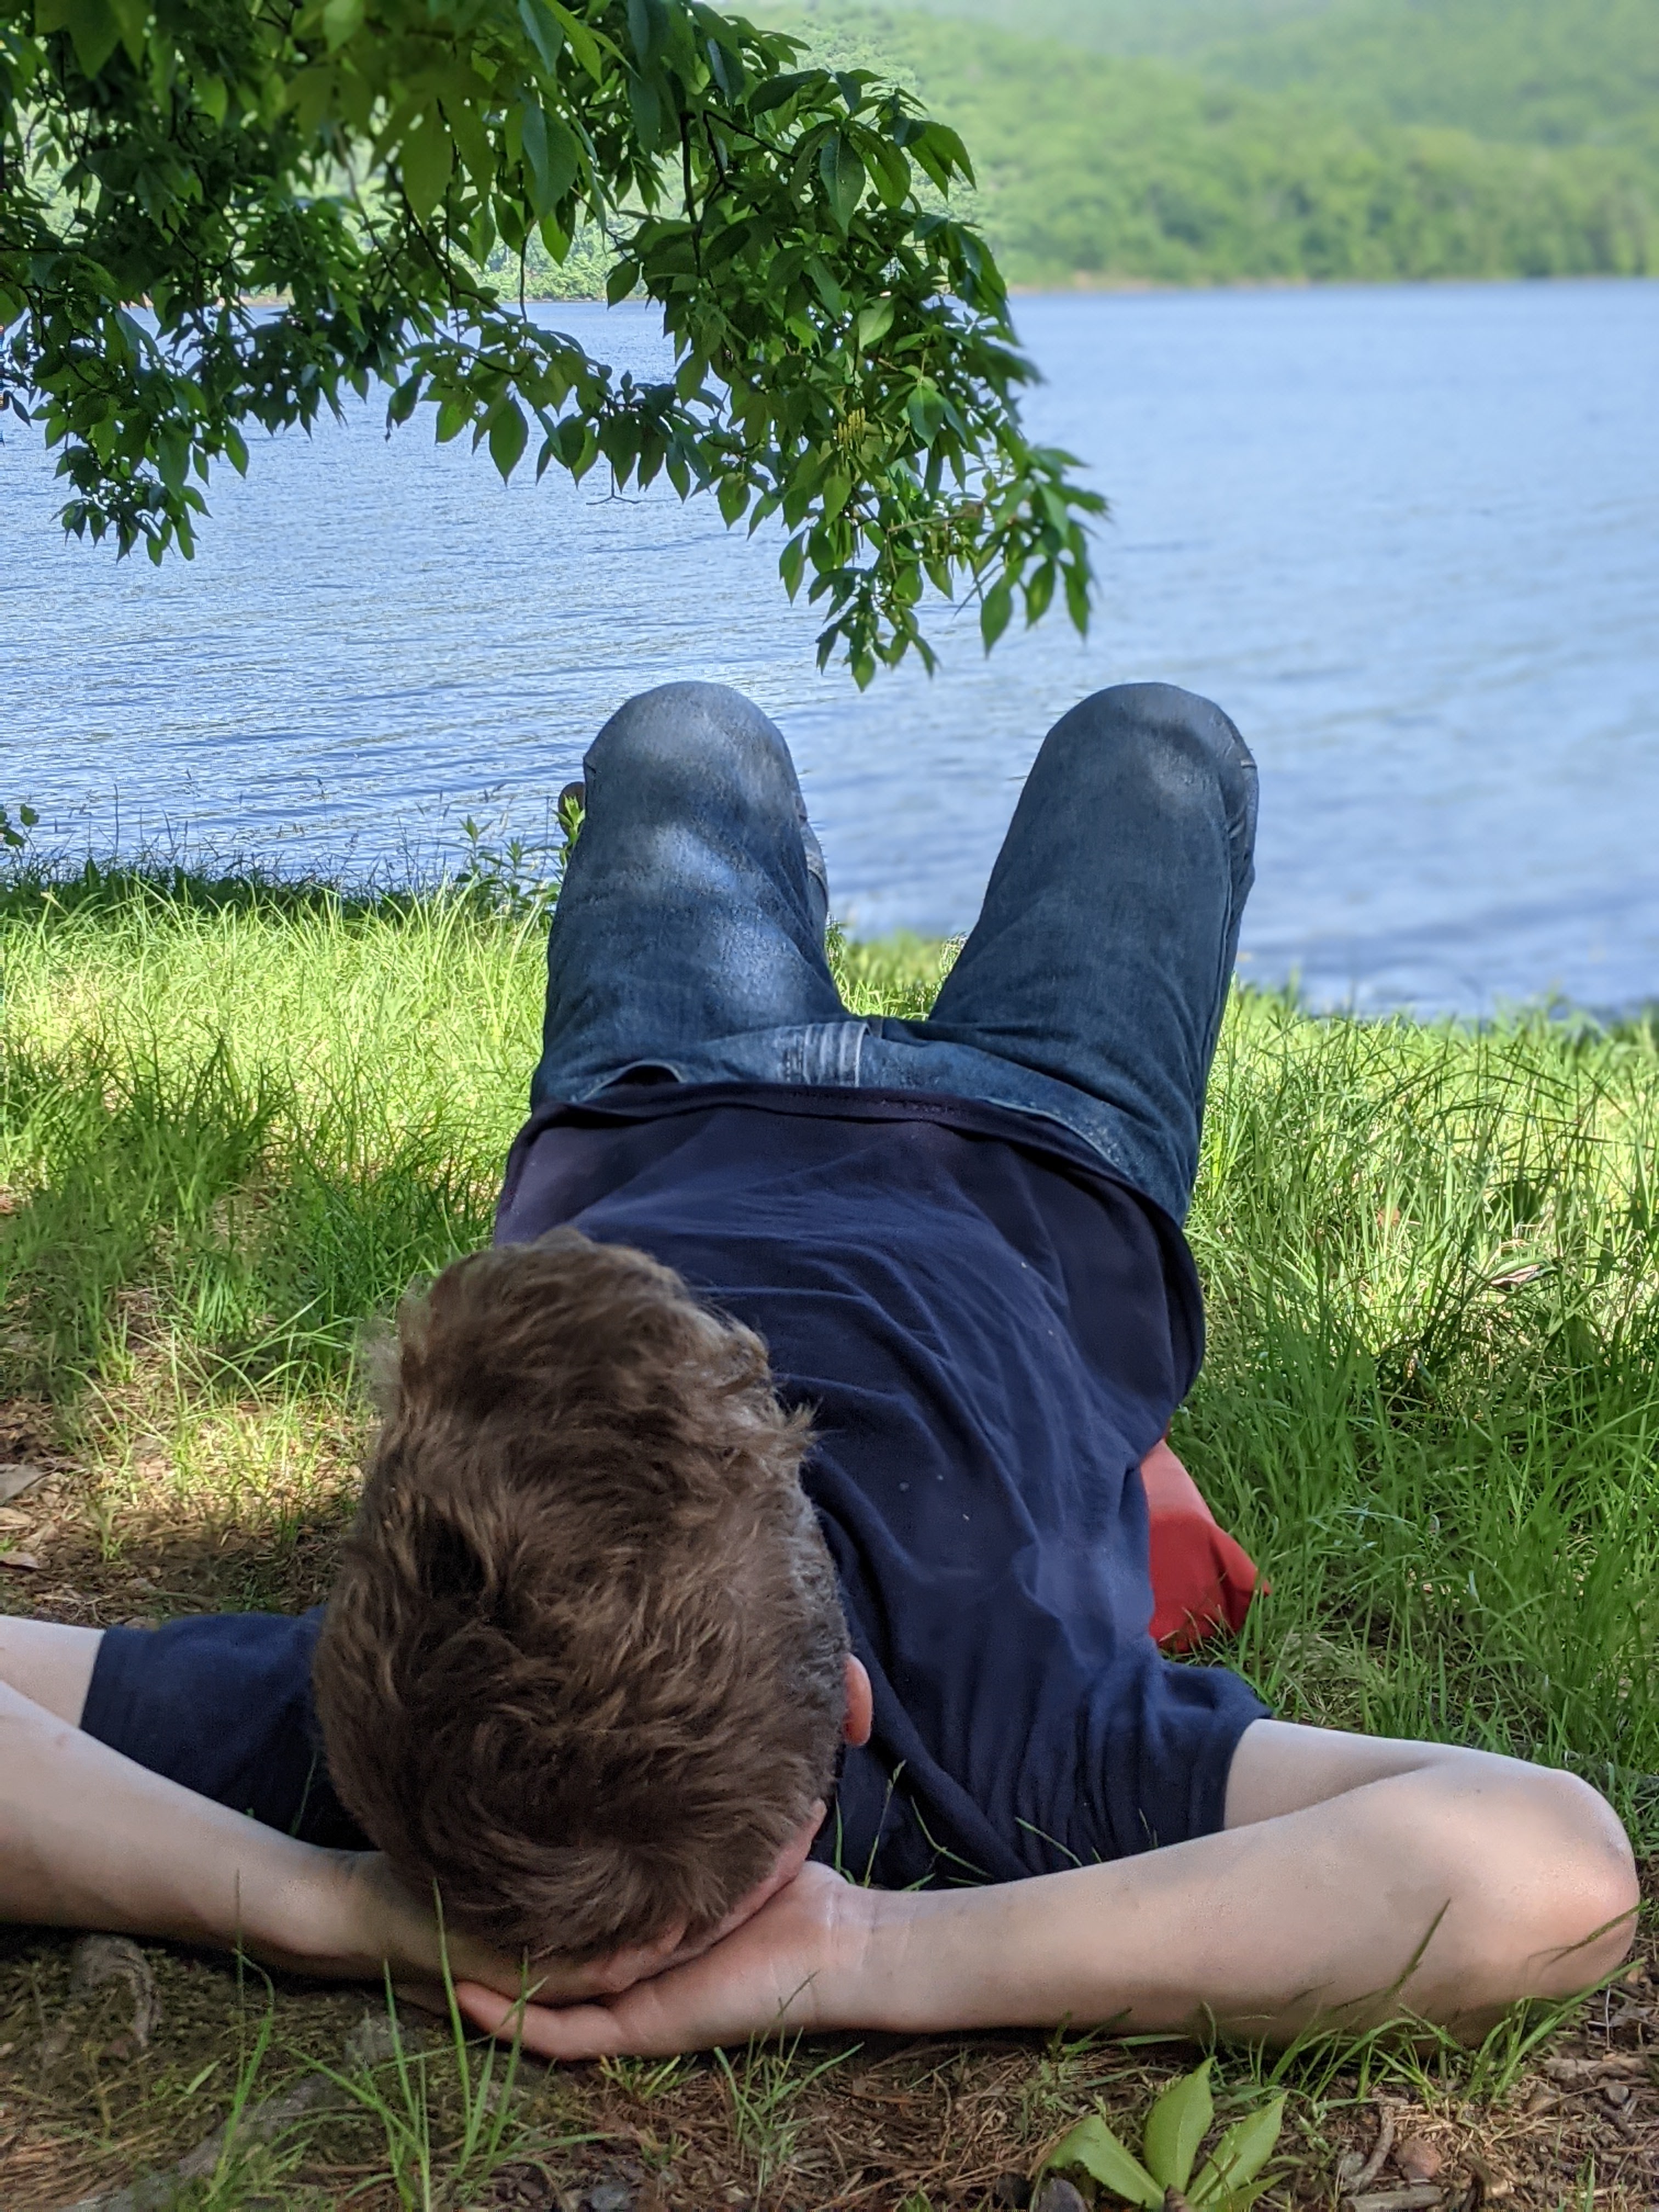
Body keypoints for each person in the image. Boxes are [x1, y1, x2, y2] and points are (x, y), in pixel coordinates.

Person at [0, 682, 1635, 2059]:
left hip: (671, 1100)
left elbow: (1547, 1873)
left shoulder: (421, 1733)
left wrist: (336, 1906)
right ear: (851, 1706)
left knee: (681, 733)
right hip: (1028, 1145)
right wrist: (863, 1954)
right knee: (1156, 741)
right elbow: (1556, 1872)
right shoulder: (1001, 1735)